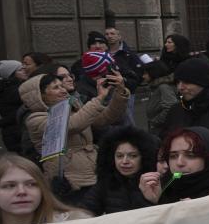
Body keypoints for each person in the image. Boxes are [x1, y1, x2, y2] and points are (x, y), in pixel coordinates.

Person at [20, 61, 130, 201]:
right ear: (40, 95)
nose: (63, 90)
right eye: (56, 88)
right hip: (69, 179)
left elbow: (105, 119)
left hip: (92, 170)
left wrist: (120, 91)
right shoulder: (35, 119)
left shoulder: (73, 107)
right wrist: (99, 98)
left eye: (62, 86)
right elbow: (72, 125)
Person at [81, 124, 159, 216]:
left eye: (133, 156)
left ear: (144, 157)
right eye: (119, 156)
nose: (124, 161)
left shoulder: (154, 182)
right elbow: (84, 211)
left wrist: (151, 200)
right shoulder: (106, 184)